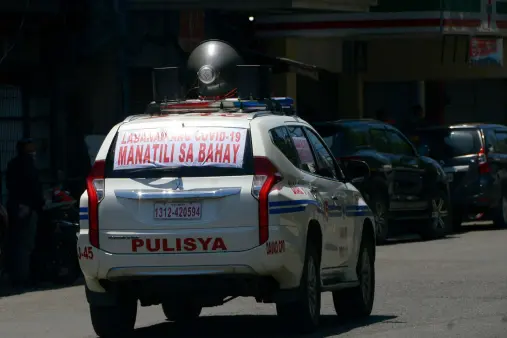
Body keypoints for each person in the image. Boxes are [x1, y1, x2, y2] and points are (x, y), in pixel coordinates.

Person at [5, 138, 45, 288]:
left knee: (15, 242)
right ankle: (23, 277)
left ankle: (15, 274)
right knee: (25, 244)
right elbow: (33, 187)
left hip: (15, 206)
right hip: (26, 207)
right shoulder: (28, 165)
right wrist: (39, 204)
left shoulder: (12, 164)